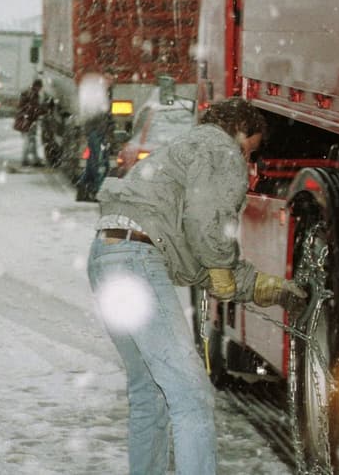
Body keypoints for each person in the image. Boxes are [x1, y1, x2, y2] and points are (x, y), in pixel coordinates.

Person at [86, 97, 306, 475]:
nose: (247, 163)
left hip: (108, 257)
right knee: (191, 396)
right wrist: (223, 264)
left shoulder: (183, 151)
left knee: (150, 394)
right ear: (237, 129)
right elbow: (208, 222)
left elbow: (194, 255)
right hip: (137, 260)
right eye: (248, 150)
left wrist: (258, 286)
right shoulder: (218, 146)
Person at [75, 109, 112, 201]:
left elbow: (99, 150)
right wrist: (102, 162)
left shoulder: (96, 135)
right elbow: (98, 151)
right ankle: (95, 193)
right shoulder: (97, 136)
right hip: (96, 161)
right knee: (97, 175)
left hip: (93, 160)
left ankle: (83, 191)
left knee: (89, 174)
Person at [15, 79, 46, 167]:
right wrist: (44, 110)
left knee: (30, 141)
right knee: (29, 141)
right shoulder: (32, 94)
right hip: (28, 121)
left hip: (26, 120)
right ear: (37, 86)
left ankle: (31, 159)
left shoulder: (28, 93)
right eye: (40, 87)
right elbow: (33, 109)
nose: (40, 89)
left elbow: (29, 108)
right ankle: (27, 160)